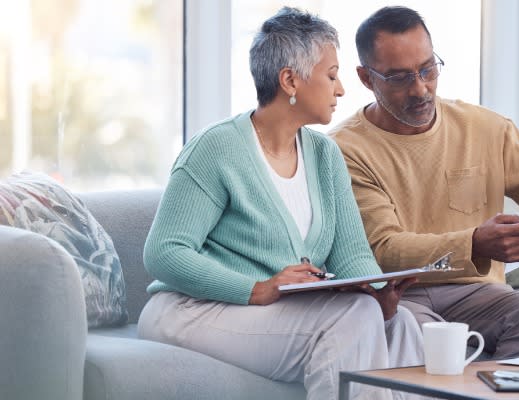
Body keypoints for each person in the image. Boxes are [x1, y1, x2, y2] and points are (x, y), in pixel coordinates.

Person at [138, 7, 423, 400]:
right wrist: (258, 288)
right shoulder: (216, 148)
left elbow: (353, 255)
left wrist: (378, 291)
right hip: (192, 310)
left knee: (400, 322)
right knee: (352, 319)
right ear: (290, 80)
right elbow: (164, 253)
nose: (341, 89)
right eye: (332, 75)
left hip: (266, 313)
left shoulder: (325, 155)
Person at [330, 6, 519, 359]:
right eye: (400, 78)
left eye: (428, 69)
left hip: (480, 293)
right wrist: (475, 244)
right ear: (366, 78)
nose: (421, 88)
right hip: (402, 295)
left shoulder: (486, 127)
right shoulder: (344, 149)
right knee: (408, 334)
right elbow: (385, 251)